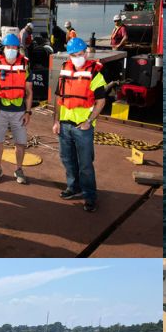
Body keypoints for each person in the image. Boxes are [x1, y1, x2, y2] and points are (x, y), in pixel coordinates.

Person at [53, 37, 106, 213]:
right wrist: (56, 121)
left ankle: (89, 196)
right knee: (67, 160)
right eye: (74, 55)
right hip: (64, 125)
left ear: (86, 53)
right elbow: (58, 98)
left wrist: (88, 121)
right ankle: (73, 187)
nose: (78, 57)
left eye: (81, 54)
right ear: (69, 56)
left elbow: (101, 102)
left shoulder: (96, 74)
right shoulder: (64, 71)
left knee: (85, 164)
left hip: (83, 128)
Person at [0, 33, 33, 184]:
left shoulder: (25, 65)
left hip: (19, 111)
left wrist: (28, 112)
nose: (11, 49)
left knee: (20, 143)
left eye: (14, 47)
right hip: (0, 110)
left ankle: (19, 169)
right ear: (3, 48)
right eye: (8, 47)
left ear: (18, 48)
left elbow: (29, 92)